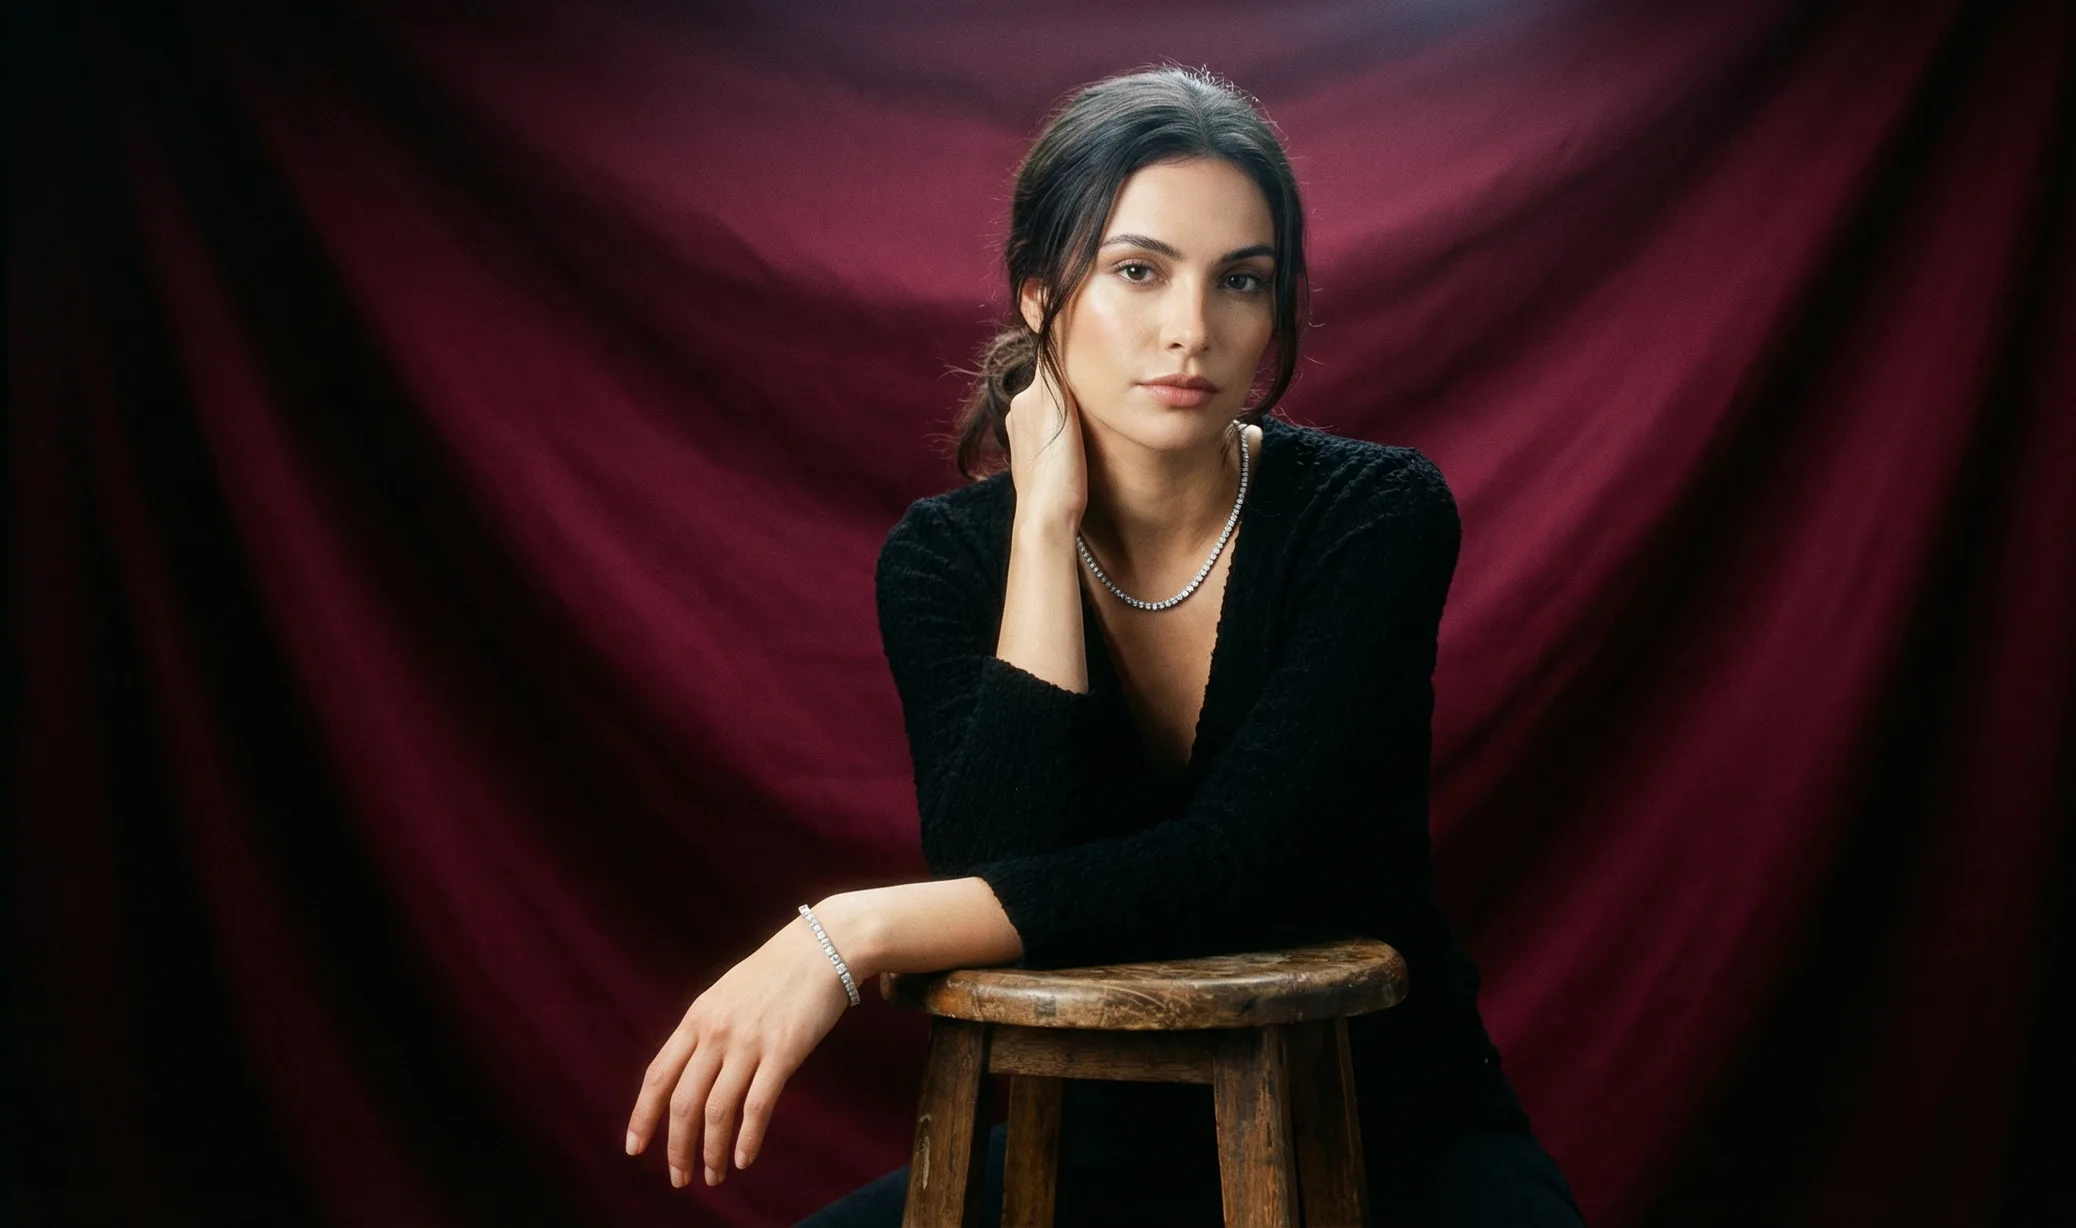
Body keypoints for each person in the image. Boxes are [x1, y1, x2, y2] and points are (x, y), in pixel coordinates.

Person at [624, 65, 1586, 1226]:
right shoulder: (941, 560)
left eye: (1242, 280)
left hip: (1383, 1126)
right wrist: (1041, 528)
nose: (1192, 330)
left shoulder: (1373, 516)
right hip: (1079, 1144)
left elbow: (1248, 865)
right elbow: (1005, 854)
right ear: (1041, 293)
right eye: (1138, 271)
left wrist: (849, 933)